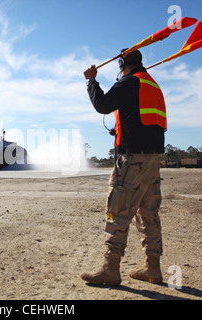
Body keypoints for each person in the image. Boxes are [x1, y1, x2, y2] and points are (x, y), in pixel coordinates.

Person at [81, 49, 167, 285]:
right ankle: (153, 268)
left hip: (132, 161)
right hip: (152, 162)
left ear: (122, 64)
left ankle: (111, 269)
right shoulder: (152, 85)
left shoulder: (129, 83)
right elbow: (142, 120)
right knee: (149, 215)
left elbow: (102, 104)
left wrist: (91, 80)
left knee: (117, 213)